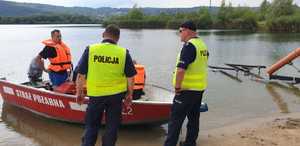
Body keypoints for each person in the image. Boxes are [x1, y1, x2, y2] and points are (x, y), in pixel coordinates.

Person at [76, 24, 136, 146]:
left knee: (91, 126)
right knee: (111, 129)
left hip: (96, 96)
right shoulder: (123, 52)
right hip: (116, 97)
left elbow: (80, 75)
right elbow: (131, 77)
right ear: (118, 38)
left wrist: (79, 93)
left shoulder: (91, 49)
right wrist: (130, 95)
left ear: (103, 35)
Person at [163, 21, 209, 146]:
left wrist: (177, 87)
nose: (179, 34)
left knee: (175, 121)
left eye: (180, 30)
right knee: (194, 118)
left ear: (187, 31)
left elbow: (181, 70)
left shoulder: (189, 46)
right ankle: (190, 142)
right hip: (198, 89)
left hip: (186, 90)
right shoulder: (202, 45)